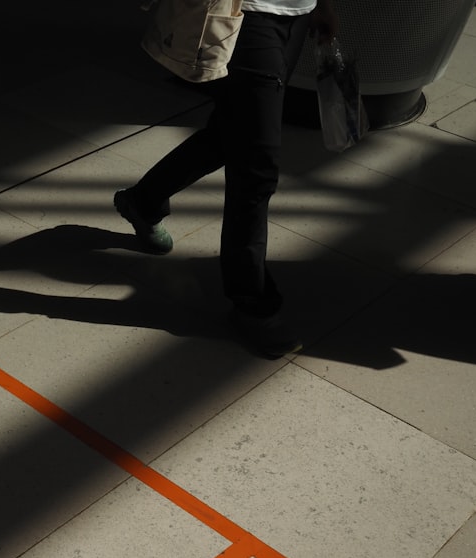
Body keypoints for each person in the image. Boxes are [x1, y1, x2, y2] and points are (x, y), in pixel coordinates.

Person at [115, 0, 339, 357]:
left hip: (297, 14)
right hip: (246, 14)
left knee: (232, 132)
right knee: (256, 166)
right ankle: (252, 304)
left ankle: (144, 200)